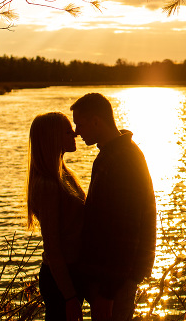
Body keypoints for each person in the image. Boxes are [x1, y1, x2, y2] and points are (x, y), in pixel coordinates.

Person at [70, 93, 156, 321]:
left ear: (96, 121)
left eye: (79, 123)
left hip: (115, 282)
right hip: (110, 277)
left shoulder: (123, 160)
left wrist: (107, 293)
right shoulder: (113, 154)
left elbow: (126, 230)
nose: (77, 131)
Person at [26, 112, 86, 321]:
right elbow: (53, 248)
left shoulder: (65, 175)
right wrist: (69, 297)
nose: (75, 134)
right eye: (68, 131)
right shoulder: (47, 185)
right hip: (61, 280)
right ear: (52, 138)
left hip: (72, 275)